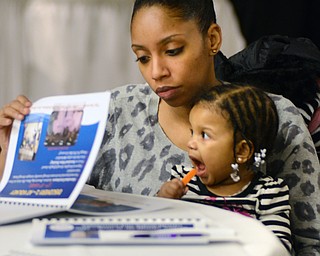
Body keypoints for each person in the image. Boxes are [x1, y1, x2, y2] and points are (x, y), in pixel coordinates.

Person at [0, 0, 319, 254]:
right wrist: (9, 148)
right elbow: (34, 203)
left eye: (172, 51)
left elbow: (311, 243)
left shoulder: (272, 119)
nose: (156, 72)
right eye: (142, 57)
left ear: (212, 38)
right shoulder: (116, 113)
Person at [157, 83, 291, 251]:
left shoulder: (267, 194)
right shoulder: (182, 183)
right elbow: (153, 231)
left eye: (204, 135)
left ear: (242, 151)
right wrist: (163, 199)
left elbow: (278, 249)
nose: (190, 143)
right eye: (192, 133)